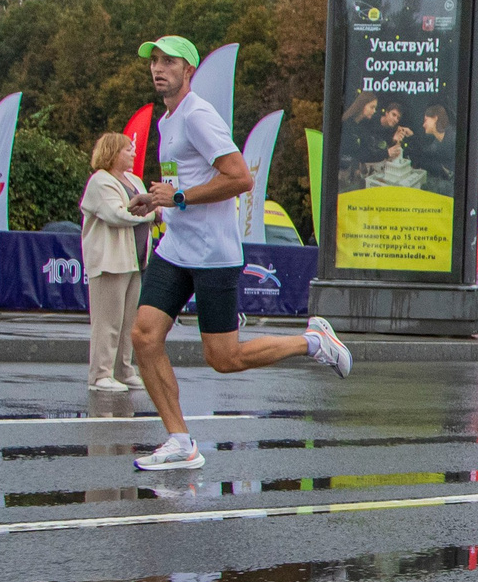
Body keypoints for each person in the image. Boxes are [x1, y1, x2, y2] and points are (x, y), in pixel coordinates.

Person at [125, 36, 349, 471]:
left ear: (188, 70)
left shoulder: (198, 116)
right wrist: (158, 199)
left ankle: (313, 342)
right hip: (175, 249)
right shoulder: (166, 120)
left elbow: (241, 178)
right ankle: (180, 441)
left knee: (223, 358)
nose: (158, 68)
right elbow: (180, 182)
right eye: (153, 61)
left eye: (168, 61)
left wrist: (180, 198)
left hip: (212, 254)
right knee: (144, 336)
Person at [78, 130, 144, 394]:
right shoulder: (100, 181)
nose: (133, 153)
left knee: (129, 321)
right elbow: (116, 215)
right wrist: (151, 215)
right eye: (128, 149)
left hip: (135, 261)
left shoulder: (135, 180)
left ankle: (123, 370)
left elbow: (142, 206)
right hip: (109, 261)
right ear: (113, 152)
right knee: (107, 321)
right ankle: (100, 374)